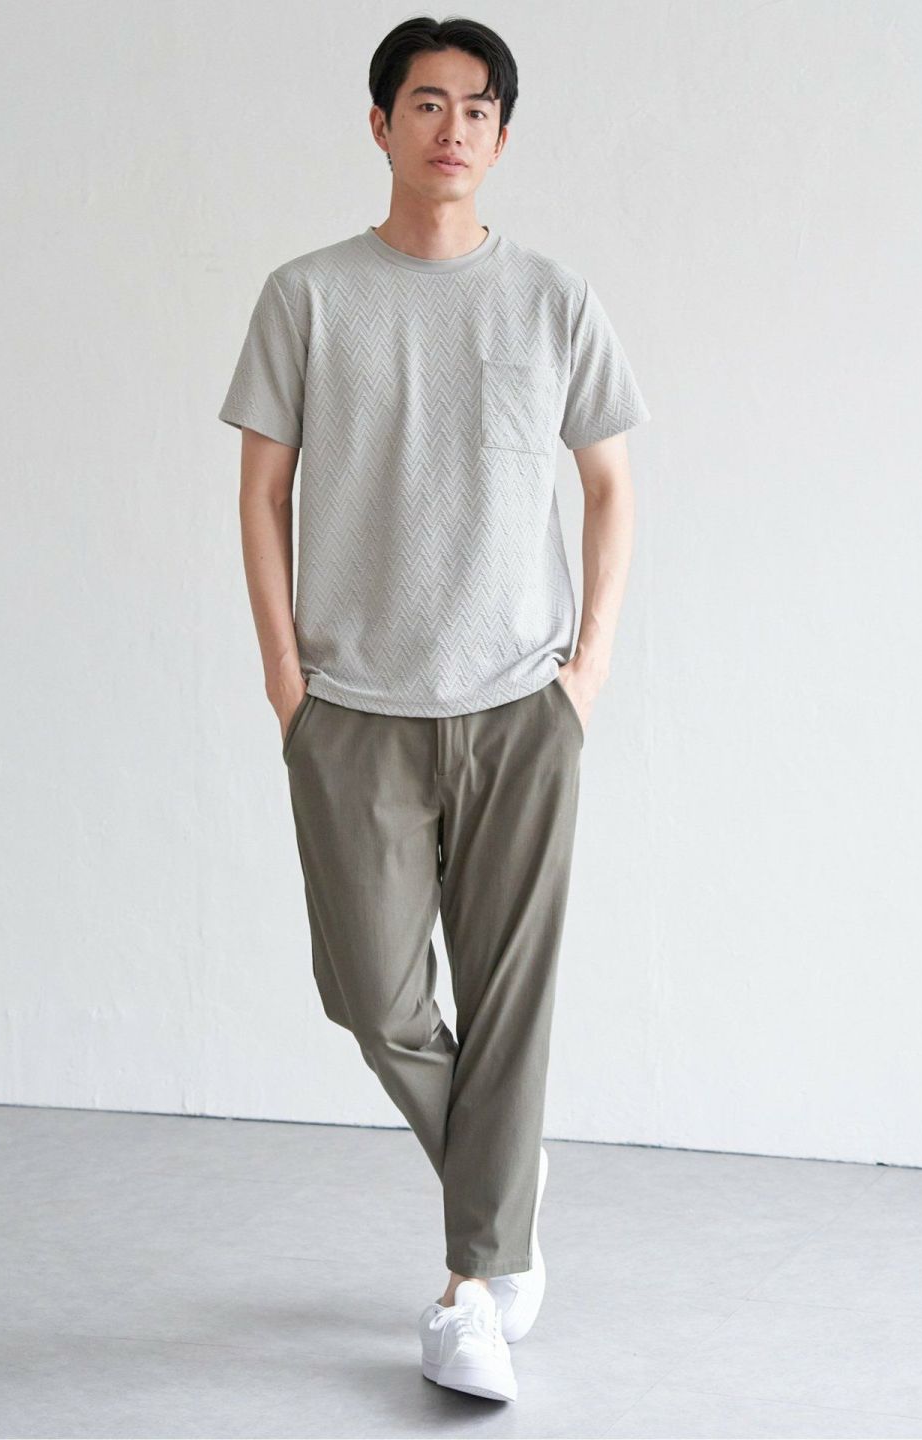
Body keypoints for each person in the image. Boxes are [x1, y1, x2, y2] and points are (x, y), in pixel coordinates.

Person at [217, 14, 650, 1405]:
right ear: (380, 124)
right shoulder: (307, 296)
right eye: (424, 102)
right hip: (350, 707)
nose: (450, 127)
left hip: (524, 705)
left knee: (511, 1004)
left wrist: (585, 678)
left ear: (501, 137)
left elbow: (610, 487)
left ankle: (472, 1292)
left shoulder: (555, 299)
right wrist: (287, 685)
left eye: (475, 107)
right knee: (371, 990)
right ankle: (503, 1188)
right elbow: (262, 495)